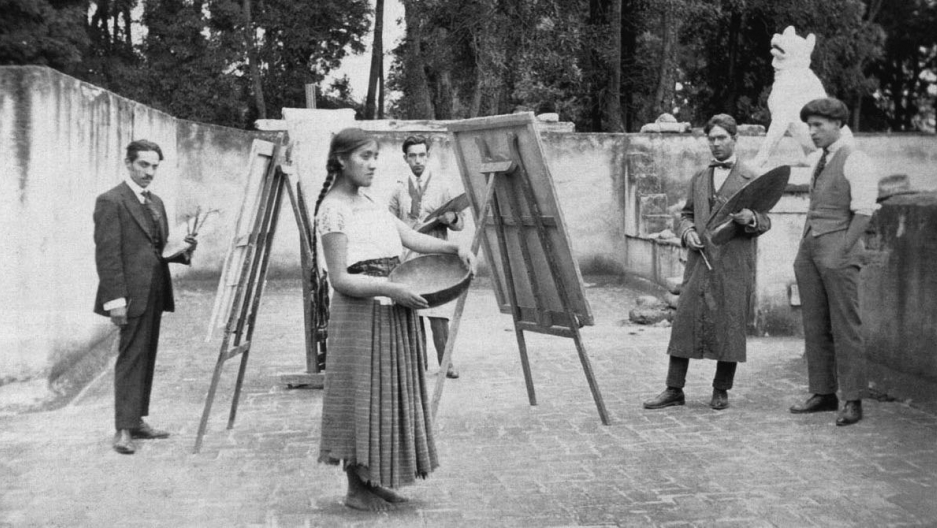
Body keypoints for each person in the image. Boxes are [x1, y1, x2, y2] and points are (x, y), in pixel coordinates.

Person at [314, 128, 474, 511]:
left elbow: (409, 236)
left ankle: (373, 481)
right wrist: (390, 289)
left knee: (386, 394)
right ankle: (355, 488)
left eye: (375, 157)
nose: (372, 165)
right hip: (361, 312)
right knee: (360, 395)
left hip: (392, 307)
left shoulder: (368, 200)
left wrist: (455, 247)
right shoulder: (332, 208)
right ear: (341, 160)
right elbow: (340, 278)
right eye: (364, 157)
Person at [643, 114, 771, 411]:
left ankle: (721, 390)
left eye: (721, 138)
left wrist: (750, 218)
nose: (716, 144)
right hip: (699, 262)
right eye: (711, 139)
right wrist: (686, 232)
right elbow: (686, 214)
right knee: (685, 322)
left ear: (734, 139)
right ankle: (674, 389)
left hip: (733, 263)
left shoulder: (752, 178)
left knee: (729, 324)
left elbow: (765, 220)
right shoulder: (700, 178)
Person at [93, 139, 196, 455]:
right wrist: (115, 301)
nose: (149, 172)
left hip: (154, 290)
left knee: (146, 354)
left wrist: (183, 250)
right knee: (130, 356)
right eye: (143, 165)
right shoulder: (111, 201)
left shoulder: (156, 202)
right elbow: (108, 255)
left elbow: (158, 249)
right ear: (128, 163)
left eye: (154, 166)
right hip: (129, 295)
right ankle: (123, 428)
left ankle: (136, 420)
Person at [790, 97, 878, 426]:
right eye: (809, 126)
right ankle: (823, 393)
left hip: (838, 249)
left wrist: (842, 249)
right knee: (814, 324)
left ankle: (852, 399)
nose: (812, 132)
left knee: (846, 326)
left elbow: (865, 211)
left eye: (818, 126)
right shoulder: (821, 159)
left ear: (837, 125)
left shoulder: (855, 159)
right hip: (811, 250)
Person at [389, 135, 465, 379]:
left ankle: (446, 363)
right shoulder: (399, 188)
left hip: (436, 256)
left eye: (422, 155)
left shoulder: (442, 186)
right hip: (410, 258)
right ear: (405, 158)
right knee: (414, 309)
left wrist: (449, 219)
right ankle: (418, 364)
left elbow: (460, 222)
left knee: (438, 311)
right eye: (412, 156)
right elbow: (389, 223)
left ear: (428, 156)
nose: (417, 160)